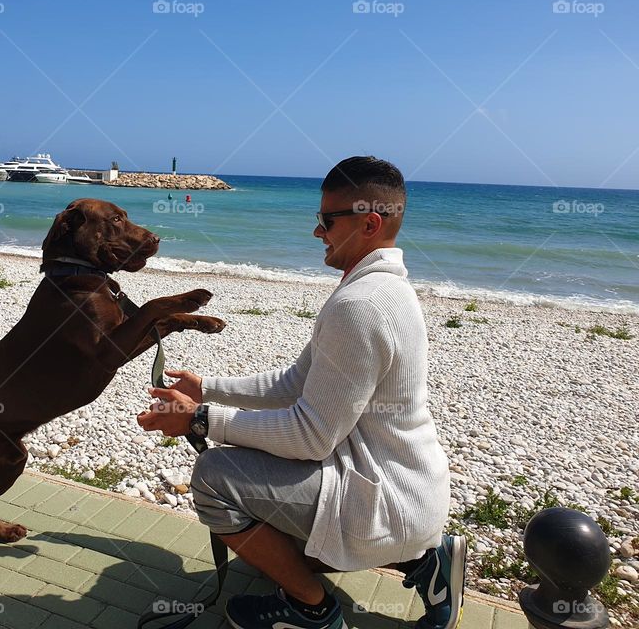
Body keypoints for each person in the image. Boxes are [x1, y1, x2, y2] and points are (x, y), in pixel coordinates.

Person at [137, 156, 464, 629]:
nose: (317, 232)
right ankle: (425, 561)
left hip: (385, 499)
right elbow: (294, 384)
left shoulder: (361, 305)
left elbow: (311, 436)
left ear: (369, 223)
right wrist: (207, 388)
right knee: (266, 526)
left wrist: (199, 420)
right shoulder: (382, 289)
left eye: (327, 221)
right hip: (407, 486)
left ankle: (313, 610)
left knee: (213, 477)